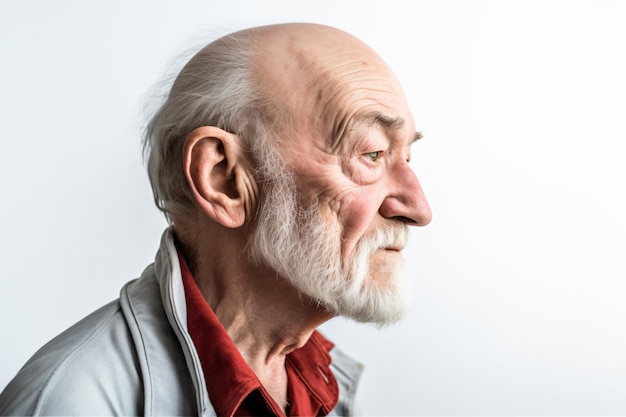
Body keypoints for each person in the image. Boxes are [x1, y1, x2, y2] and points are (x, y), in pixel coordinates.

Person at [0, 22, 431, 416]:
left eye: (406, 156)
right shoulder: (72, 402)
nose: (418, 209)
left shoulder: (326, 381)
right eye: (371, 154)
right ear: (222, 179)